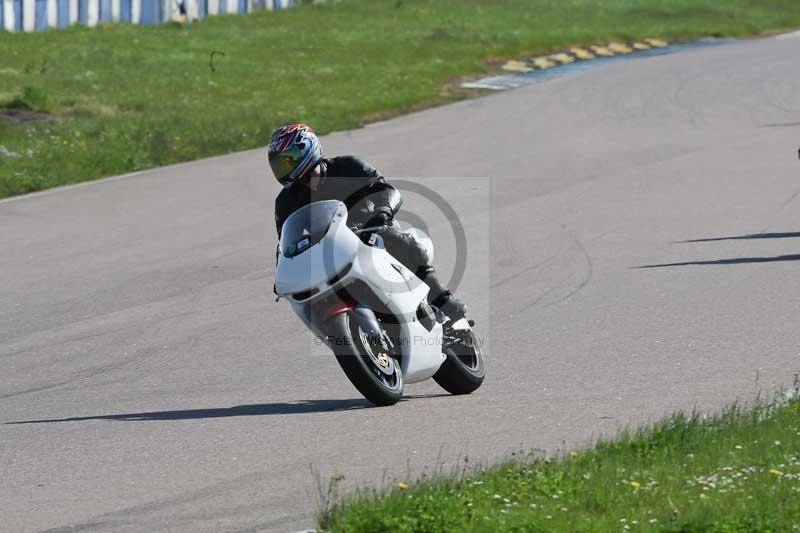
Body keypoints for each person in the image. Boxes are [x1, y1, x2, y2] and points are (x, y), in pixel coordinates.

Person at [269, 123, 467, 321]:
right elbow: (286, 244)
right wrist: (284, 272)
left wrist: (381, 213)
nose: (283, 168)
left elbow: (386, 190)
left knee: (396, 239)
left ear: (308, 149)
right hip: (328, 252)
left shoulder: (348, 166)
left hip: (370, 230)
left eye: (288, 160)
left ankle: (442, 299)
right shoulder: (285, 202)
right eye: (279, 164)